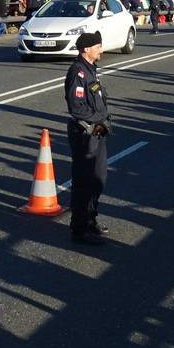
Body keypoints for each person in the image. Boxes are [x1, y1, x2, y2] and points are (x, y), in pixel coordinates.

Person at [64, 31, 111, 245]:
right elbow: (77, 107)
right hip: (85, 134)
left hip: (97, 132)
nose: (101, 50)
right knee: (84, 182)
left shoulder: (90, 70)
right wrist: (99, 119)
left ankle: (91, 219)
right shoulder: (78, 73)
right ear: (86, 49)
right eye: (98, 46)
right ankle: (79, 228)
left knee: (98, 179)